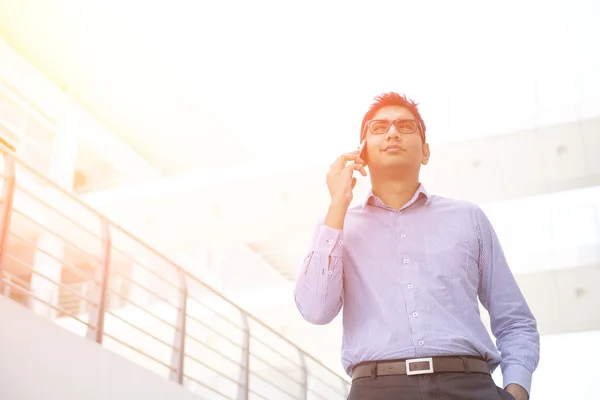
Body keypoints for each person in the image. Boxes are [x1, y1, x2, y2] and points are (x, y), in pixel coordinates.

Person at [293, 92, 540, 400]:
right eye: (379, 127)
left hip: (469, 385)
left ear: (425, 152)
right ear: (362, 153)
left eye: (406, 126)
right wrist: (337, 205)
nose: (393, 132)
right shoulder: (337, 226)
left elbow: (515, 320)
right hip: (377, 390)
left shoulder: (468, 218)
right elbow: (316, 310)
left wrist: (516, 391)